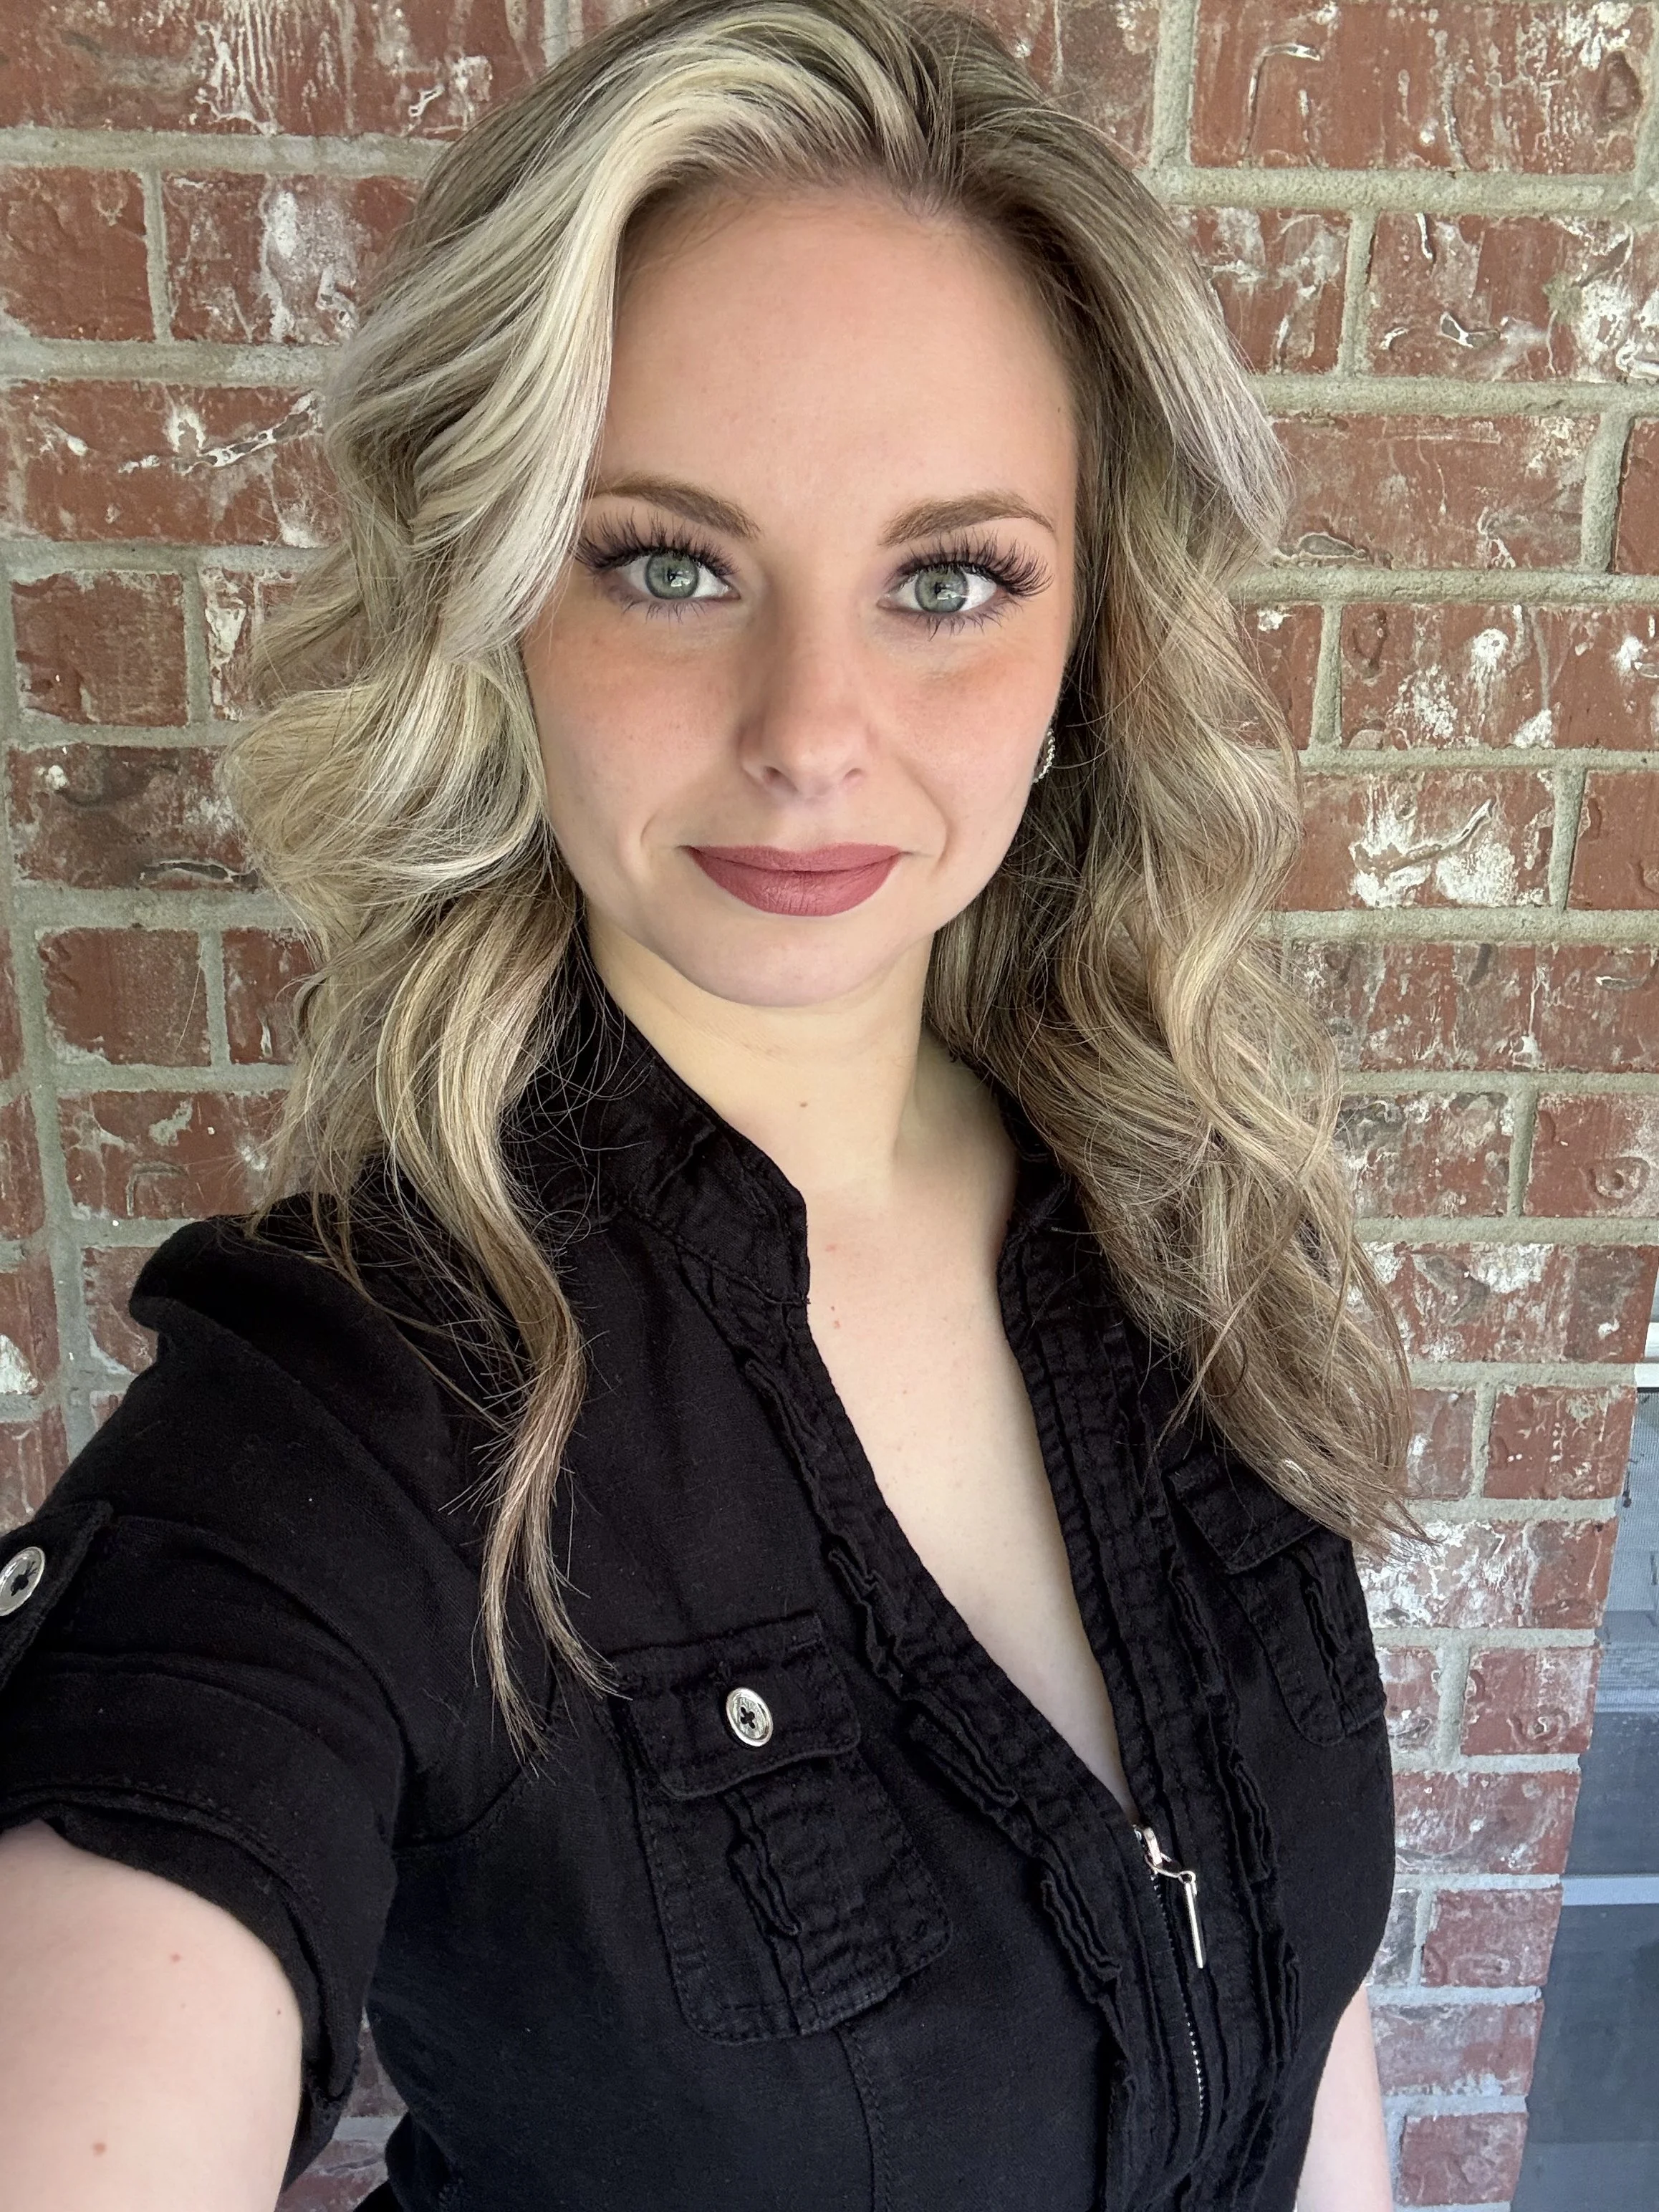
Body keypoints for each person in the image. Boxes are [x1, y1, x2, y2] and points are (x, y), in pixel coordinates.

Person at [0, 0, 1423, 2204]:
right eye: (664, 560)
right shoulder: (359, 1411)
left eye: (947, 578)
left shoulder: (1196, 1226)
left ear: (1092, 631)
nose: (812, 729)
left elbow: (1297, 2015)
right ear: (491, 601)